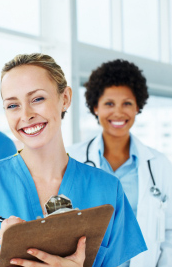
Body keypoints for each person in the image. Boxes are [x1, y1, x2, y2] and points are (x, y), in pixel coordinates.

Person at [0, 53, 147, 267]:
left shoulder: (107, 189)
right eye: (13, 105)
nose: (26, 114)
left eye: (38, 99)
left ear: (65, 98)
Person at [67, 59, 172, 267]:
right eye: (109, 104)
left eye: (127, 103)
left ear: (137, 107)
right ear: (95, 107)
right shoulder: (72, 158)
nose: (118, 112)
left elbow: (168, 233)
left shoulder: (158, 164)